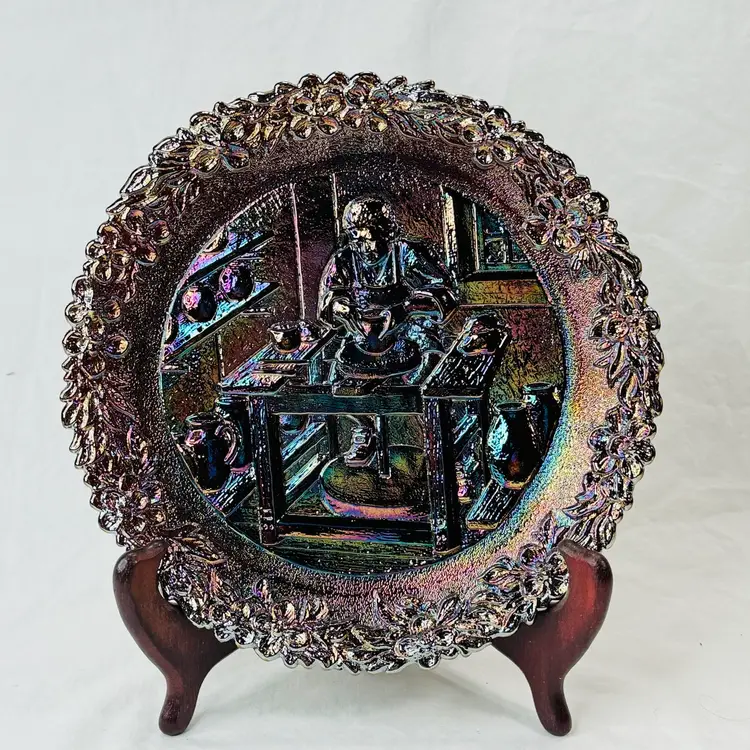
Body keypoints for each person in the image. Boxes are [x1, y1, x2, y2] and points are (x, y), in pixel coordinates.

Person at [317, 195, 458, 467]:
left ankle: (441, 439)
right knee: (337, 381)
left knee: (430, 374)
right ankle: (364, 429)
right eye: (358, 240)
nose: (366, 248)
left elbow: (446, 296)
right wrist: (340, 307)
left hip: (409, 331)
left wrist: (406, 309)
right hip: (365, 337)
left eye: (371, 239)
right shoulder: (344, 258)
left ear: (386, 232)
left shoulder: (406, 253)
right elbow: (328, 301)